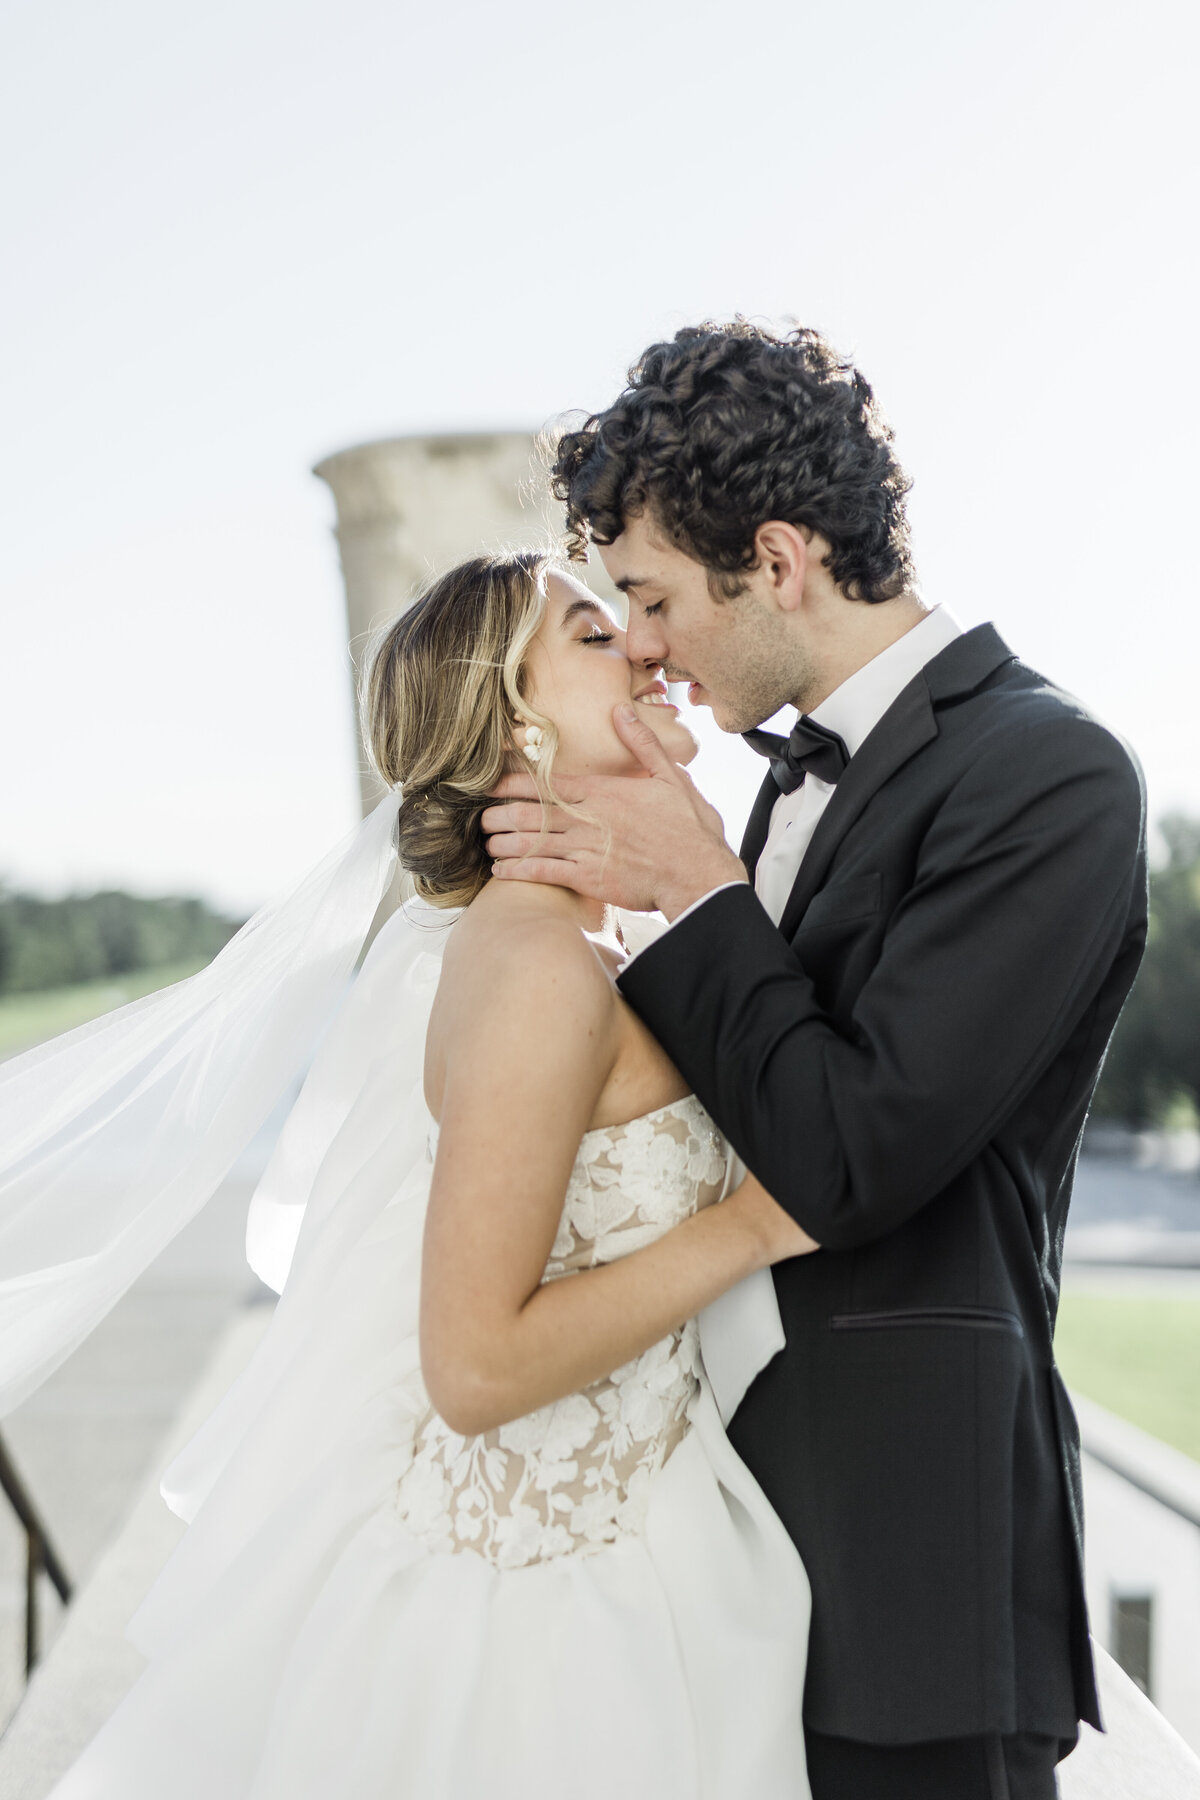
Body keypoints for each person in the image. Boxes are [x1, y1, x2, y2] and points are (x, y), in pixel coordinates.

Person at [12, 550, 822, 1800]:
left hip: (652, 1560)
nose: (651, 652)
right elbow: (474, 1367)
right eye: (599, 636)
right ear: (513, 723)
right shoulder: (538, 969)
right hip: (540, 1634)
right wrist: (757, 1226)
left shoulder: (600, 937)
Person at [482, 321, 1150, 1800]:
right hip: (700, 1564)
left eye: (651, 597)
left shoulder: (1051, 776)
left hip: (906, 1568)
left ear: (776, 559)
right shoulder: (772, 779)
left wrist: (701, 893)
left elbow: (856, 1156)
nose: (642, 641)